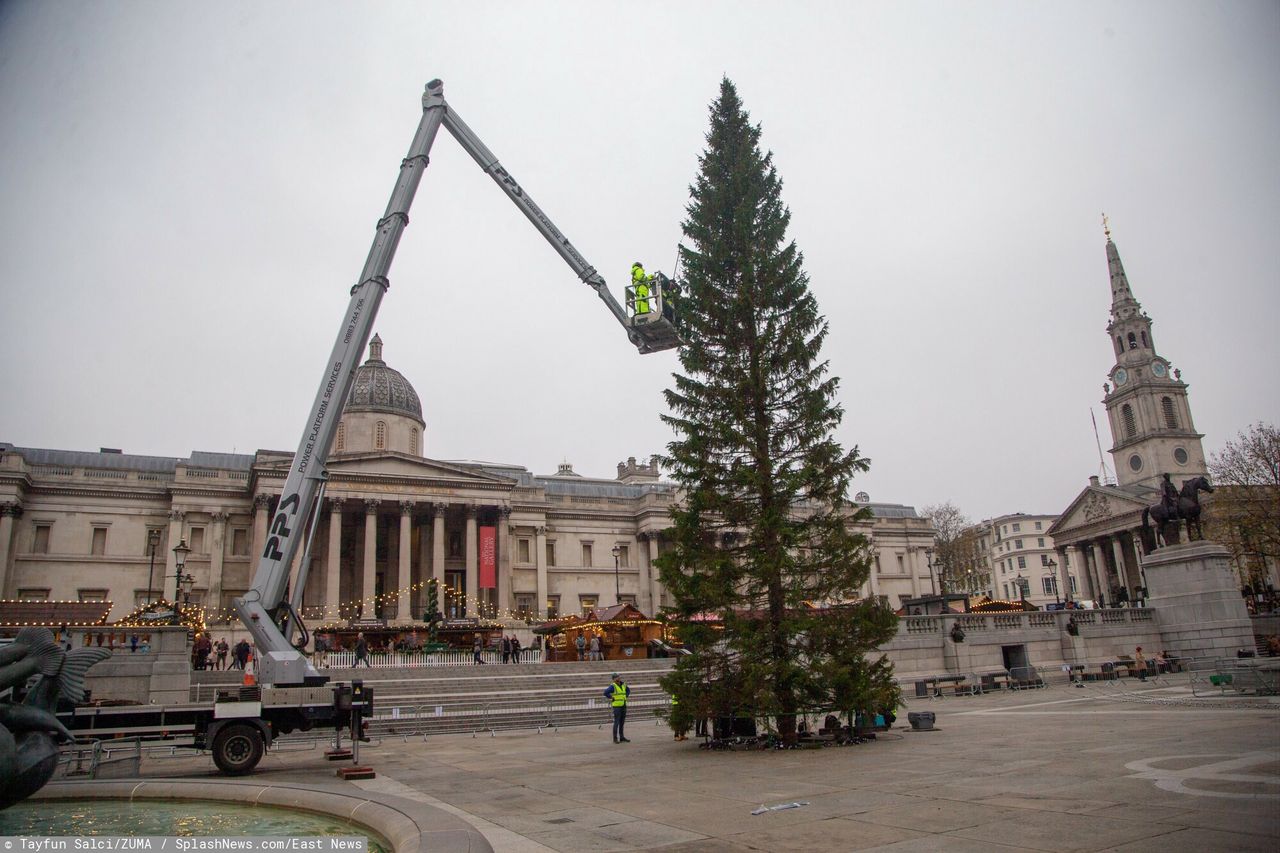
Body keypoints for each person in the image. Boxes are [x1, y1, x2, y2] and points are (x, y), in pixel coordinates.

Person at [604, 673, 631, 743]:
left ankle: (622, 737)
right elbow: (605, 692)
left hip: (623, 705)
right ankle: (615, 739)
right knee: (616, 722)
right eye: (616, 677)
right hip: (617, 706)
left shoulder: (624, 684)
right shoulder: (613, 686)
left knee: (622, 723)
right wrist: (611, 697)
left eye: (618, 677)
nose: (618, 678)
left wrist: (626, 695)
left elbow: (628, 690)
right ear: (613, 679)